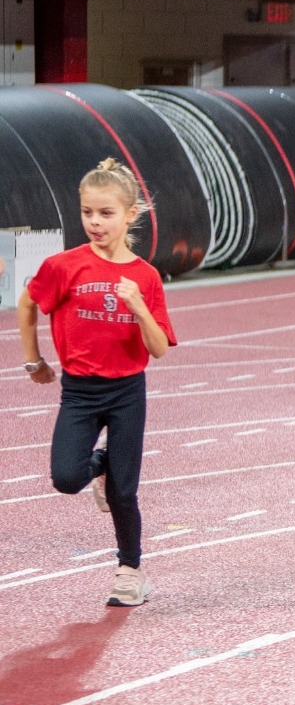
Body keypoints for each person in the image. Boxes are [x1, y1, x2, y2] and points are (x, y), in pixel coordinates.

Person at [17, 157, 177, 607]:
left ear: (130, 214)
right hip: (80, 391)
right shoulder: (64, 266)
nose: (94, 222)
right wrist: (34, 361)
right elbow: (27, 304)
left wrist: (139, 307)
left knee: (125, 492)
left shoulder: (144, 277)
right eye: (88, 212)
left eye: (106, 213)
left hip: (127, 392)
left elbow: (159, 347)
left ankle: (130, 570)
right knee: (66, 477)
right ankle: (100, 464)